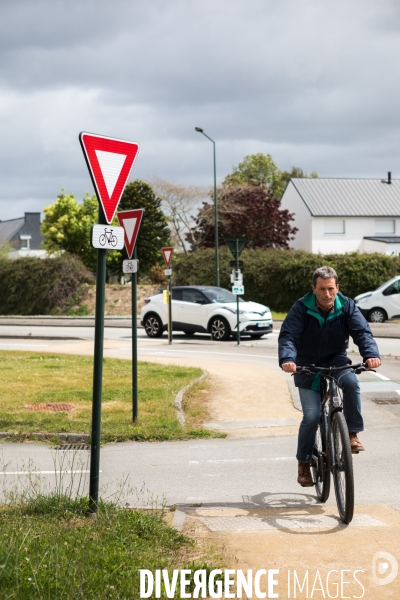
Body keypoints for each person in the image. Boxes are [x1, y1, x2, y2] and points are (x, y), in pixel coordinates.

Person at [278, 266, 381, 487]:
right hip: (306, 366)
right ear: (314, 289)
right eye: (322, 289)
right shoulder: (300, 308)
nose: (327, 294)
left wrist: (371, 354)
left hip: (336, 361)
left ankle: (352, 434)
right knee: (312, 415)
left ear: (337, 288)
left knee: (352, 383)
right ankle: (304, 463)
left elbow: (362, 332)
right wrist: (288, 359)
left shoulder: (347, 306)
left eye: (331, 289)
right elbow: (288, 336)